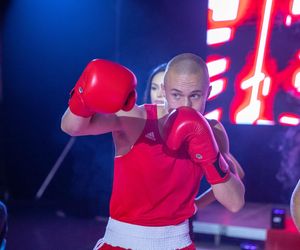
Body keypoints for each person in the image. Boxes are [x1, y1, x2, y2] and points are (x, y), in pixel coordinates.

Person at [61, 53, 245, 249]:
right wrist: (82, 96)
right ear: (164, 91)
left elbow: (234, 202)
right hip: (122, 242)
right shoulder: (137, 118)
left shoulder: (213, 131)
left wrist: (210, 158)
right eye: (176, 95)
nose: (186, 105)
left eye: (195, 95)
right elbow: (72, 127)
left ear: (208, 92)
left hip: (178, 242)